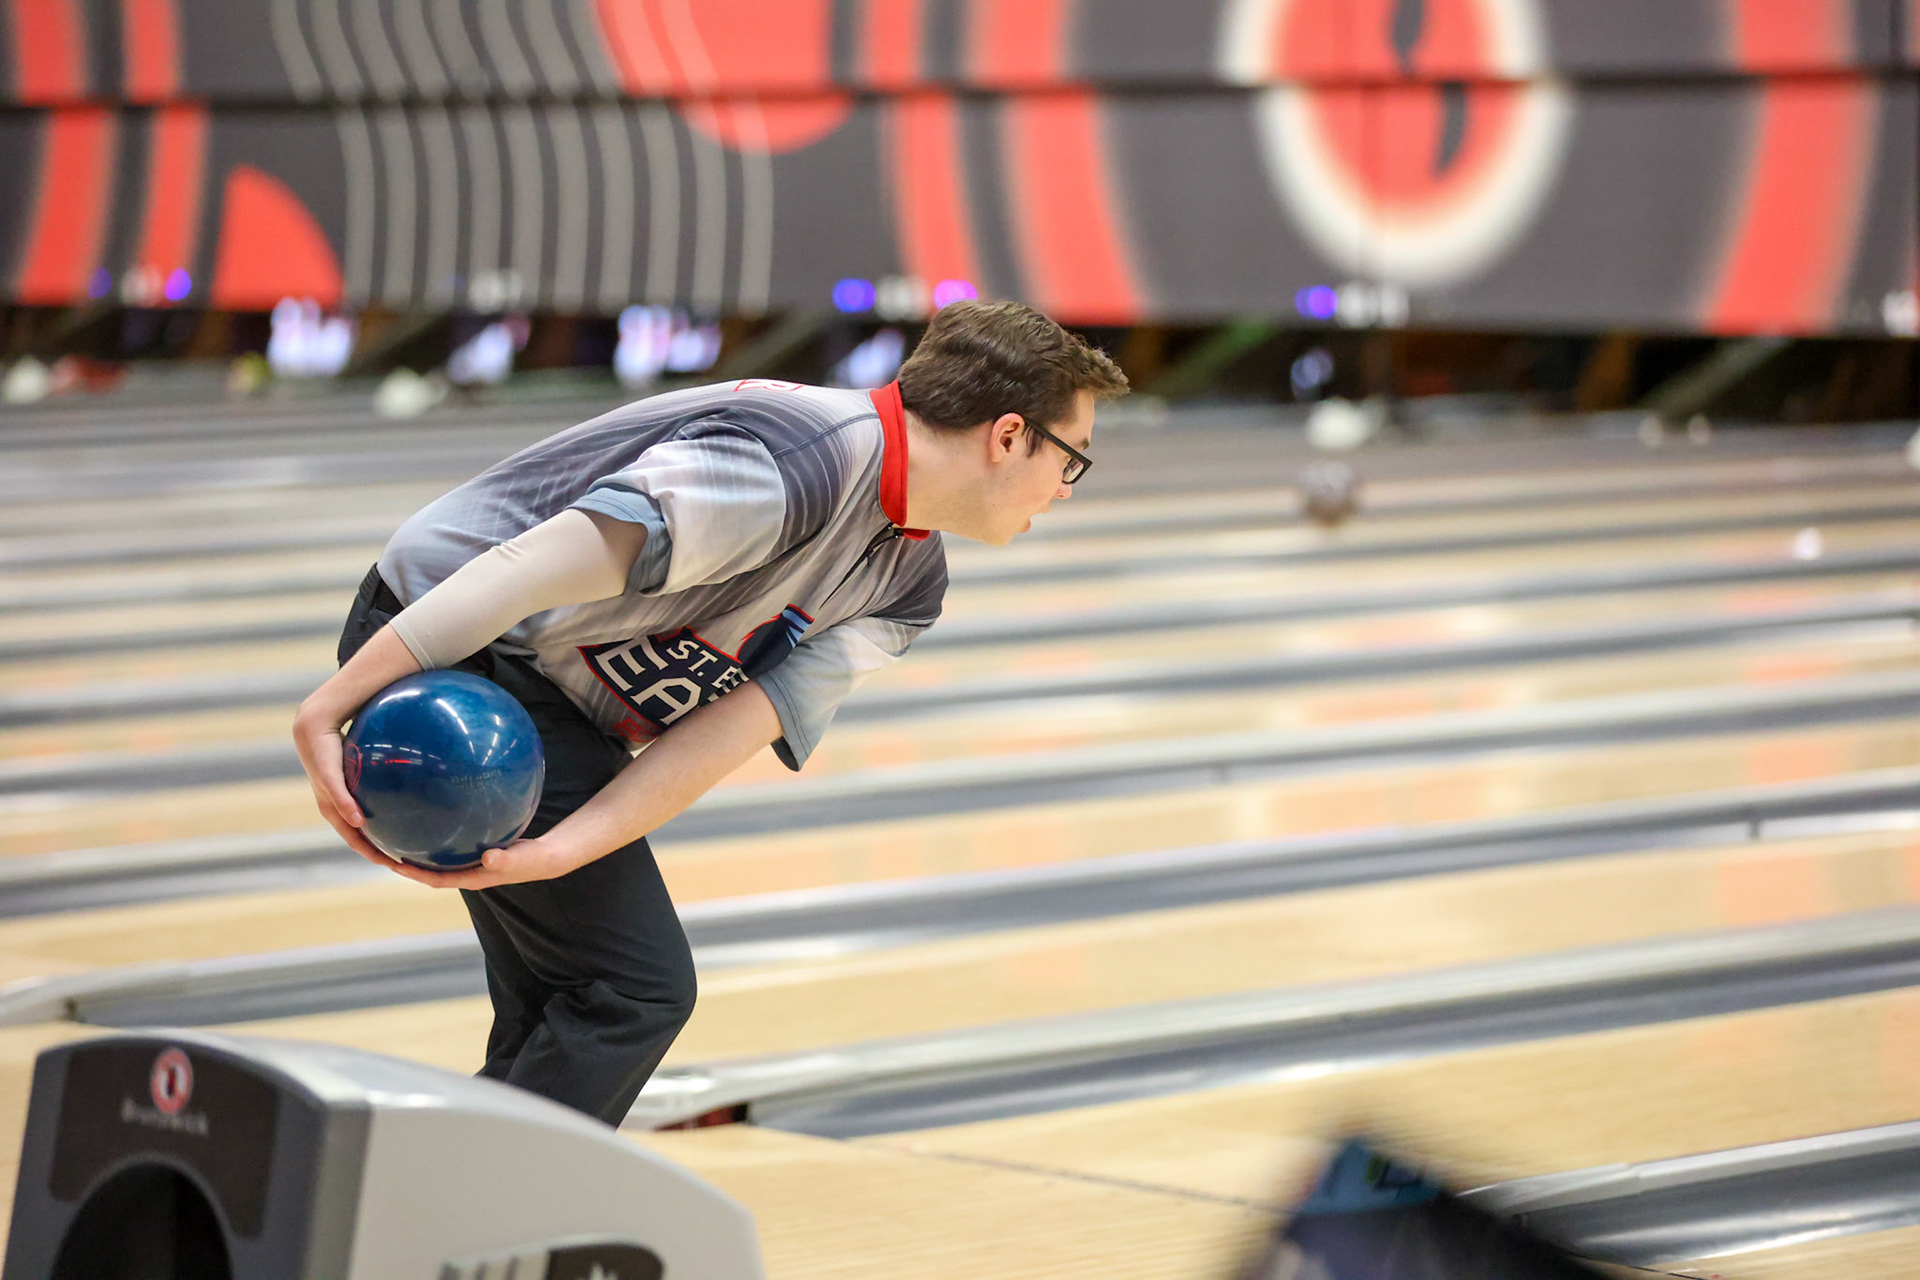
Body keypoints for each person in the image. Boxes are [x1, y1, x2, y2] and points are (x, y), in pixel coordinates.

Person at [293, 299, 1129, 1125]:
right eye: (1072, 459)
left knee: (574, 999)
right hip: (450, 636)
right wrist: (328, 708)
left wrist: (562, 850)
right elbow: (524, 570)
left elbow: (723, 732)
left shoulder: (909, 587)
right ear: (1009, 435)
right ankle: (467, 1233)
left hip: (555, 698)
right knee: (631, 989)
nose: (1065, 489)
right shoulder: (792, 468)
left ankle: (454, 1224)